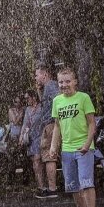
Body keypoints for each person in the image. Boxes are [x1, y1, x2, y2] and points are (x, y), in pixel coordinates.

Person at [49, 68, 99, 207]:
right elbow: (57, 126)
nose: (64, 85)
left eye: (67, 81)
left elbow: (92, 123)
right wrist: (53, 146)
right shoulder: (57, 101)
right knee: (73, 186)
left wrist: (87, 143)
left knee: (86, 183)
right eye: (61, 82)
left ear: (75, 81)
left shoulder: (83, 98)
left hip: (83, 147)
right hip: (67, 149)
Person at [34, 64, 60, 198]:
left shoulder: (51, 86)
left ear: (44, 74)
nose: (35, 77)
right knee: (48, 155)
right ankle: (53, 187)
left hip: (50, 125)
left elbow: (57, 100)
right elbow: (45, 104)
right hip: (50, 124)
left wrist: (54, 121)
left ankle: (52, 189)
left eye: (37, 74)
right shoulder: (47, 88)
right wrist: (39, 90)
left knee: (49, 156)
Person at [19, 89, 43, 191]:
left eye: (27, 98)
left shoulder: (41, 107)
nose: (26, 100)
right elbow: (25, 123)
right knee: (35, 161)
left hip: (42, 135)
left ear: (33, 97)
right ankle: (41, 185)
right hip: (32, 138)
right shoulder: (28, 109)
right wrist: (21, 136)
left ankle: (46, 185)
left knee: (41, 160)